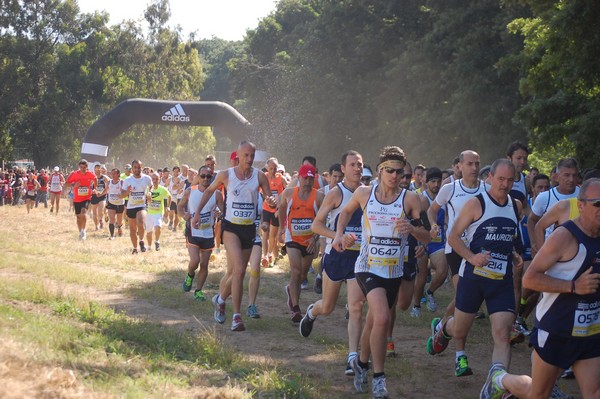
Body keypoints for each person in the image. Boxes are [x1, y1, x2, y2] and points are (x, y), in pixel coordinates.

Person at [480, 178, 600, 399]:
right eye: (598, 203)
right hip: (557, 330)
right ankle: (499, 379)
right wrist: (573, 286)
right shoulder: (565, 236)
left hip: (590, 331)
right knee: (539, 393)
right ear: (581, 205)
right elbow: (530, 279)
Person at [334, 146, 429, 398]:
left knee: (374, 322)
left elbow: (426, 236)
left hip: (393, 271)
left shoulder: (410, 199)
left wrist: (413, 231)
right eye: (389, 170)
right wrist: (339, 235)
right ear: (379, 170)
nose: (394, 176)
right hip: (367, 267)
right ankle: (379, 378)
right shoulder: (365, 193)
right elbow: (344, 212)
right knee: (383, 319)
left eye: (399, 172)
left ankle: (361, 365)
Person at [427, 159, 522, 379]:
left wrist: (514, 254)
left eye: (510, 180)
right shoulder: (476, 203)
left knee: (502, 333)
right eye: (500, 179)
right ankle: (444, 329)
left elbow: (509, 236)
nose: (505, 184)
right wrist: (472, 257)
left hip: (501, 280)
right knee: (460, 330)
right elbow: (453, 236)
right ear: (490, 178)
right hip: (473, 278)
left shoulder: (514, 206)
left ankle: (497, 382)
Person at [191, 141, 275, 332]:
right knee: (237, 269)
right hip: (230, 228)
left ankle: (220, 300)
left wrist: (273, 201)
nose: (250, 159)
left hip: (248, 229)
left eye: (252, 155)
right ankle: (236, 316)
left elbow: (269, 199)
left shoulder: (260, 176)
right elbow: (209, 192)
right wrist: (197, 213)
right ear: (238, 155)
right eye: (246, 155)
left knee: (240, 272)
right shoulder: (226, 175)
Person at [299, 151, 365, 376]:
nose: (357, 168)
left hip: (359, 259)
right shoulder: (336, 193)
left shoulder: (369, 193)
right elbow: (316, 226)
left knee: (356, 307)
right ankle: (311, 313)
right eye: (353, 164)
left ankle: (352, 357)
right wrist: (336, 237)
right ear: (343, 169)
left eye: (360, 165)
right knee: (327, 307)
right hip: (336, 256)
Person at [427, 150, 486, 323]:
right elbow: (432, 210)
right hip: (455, 247)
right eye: (469, 163)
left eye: (477, 163)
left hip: (478, 248)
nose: (474, 167)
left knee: (473, 293)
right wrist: (433, 225)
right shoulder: (450, 188)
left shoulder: (486, 189)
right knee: (463, 291)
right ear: (459, 166)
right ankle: (445, 324)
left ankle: (444, 324)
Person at [279, 164, 325, 322]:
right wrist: (281, 229)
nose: (308, 181)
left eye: (311, 178)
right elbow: (281, 209)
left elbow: (323, 219)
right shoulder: (289, 193)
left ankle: (290, 288)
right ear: (299, 178)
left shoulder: (318, 196)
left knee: (303, 275)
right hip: (292, 238)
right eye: (305, 178)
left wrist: (315, 237)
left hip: (311, 241)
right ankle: (296, 308)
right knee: (296, 272)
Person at [179, 165, 224, 301]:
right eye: (203, 176)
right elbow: (180, 206)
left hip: (208, 233)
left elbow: (223, 211)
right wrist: (184, 215)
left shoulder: (217, 194)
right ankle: (190, 274)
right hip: (193, 231)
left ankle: (198, 291)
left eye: (208, 176)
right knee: (195, 260)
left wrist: (219, 213)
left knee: (204, 264)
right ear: (198, 177)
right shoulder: (190, 191)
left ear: (212, 178)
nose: (205, 179)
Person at [411, 167, 448, 316]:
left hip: (437, 243)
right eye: (433, 181)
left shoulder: (444, 198)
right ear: (426, 182)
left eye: (439, 181)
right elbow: (414, 222)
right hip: (422, 242)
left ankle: (430, 291)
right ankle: (416, 305)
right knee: (421, 274)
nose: (436, 185)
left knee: (443, 271)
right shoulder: (421, 198)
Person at [528, 158, 580, 256]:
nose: (571, 179)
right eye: (567, 175)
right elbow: (532, 220)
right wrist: (535, 244)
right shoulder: (545, 197)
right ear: (556, 177)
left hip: (579, 252)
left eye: (574, 175)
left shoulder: (584, 195)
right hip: (553, 254)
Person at [121, 160, 152, 254]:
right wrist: (128, 191)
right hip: (131, 207)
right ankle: (135, 248)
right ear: (132, 168)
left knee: (141, 221)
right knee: (133, 230)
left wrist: (150, 193)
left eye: (139, 167)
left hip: (141, 205)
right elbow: (122, 194)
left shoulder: (147, 178)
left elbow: (152, 188)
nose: (137, 169)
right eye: (135, 167)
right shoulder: (128, 180)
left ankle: (141, 240)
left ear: (141, 167)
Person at [261, 157, 287, 268]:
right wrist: (265, 198)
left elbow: (289, 190)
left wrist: (281, 206)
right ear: (267, 168)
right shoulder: (264, 177)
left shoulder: (281, 178)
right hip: (266, 208)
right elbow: (259, 191)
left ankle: (270, 255)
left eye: (275, 168)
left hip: (277, 210)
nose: (273, 170)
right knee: (265, 230)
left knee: (273, 235)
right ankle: (264, 255)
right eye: (271, 168)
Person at [66, 159, 97, 240]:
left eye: (84, 167)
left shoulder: (90, 174)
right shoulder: (74, 174)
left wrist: (94, 188)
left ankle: (83, 231)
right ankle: (80, 231)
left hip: (86, 197)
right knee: (78, 217)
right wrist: (74, 184)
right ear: (79, 167)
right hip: (77, 199)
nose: (82, 169)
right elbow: (66, 184)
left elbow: (95, 179)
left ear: (87, 167)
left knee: (83, 213)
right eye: (81, 167)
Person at [146, 172, 171, 251]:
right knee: (149, 231)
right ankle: (149, 246)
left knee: (158, 227)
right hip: (149, 213)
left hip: (158, 212)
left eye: (157, 179)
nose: (155, 181)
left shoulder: (162, 189)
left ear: (159, 180)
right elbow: (146, 200)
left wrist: (168, 207)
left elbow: (169, 196)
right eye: (153, 179)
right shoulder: (147, 189)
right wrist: (148, 198)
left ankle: (157, 241)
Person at [106, 168, 125, 239]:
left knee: (119, 221)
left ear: (118, 174)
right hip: (111, 203)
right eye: (112, 173)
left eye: (114, 173)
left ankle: (119, 227)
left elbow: (125, 192)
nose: (113, 175)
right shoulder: (109, 182)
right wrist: (100, 194)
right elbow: (106, 191)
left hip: (120, 204)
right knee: (112, 219)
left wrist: (122, 193)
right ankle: (112, 235)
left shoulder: (122, 182)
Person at [90, 163, 109, 230]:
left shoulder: (104, 177)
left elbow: (110, 183)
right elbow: (88, 186)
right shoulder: (92, 177)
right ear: (94, 169)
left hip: (102, 195)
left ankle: (100, 220)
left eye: (99, 168)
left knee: (101, 210)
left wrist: (105, 191)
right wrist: (91, 191)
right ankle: (96, 226)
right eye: (96, 168)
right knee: (94, 213)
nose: (97, 170)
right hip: (94, 196)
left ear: (101, 169)